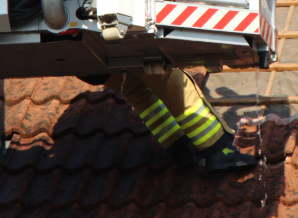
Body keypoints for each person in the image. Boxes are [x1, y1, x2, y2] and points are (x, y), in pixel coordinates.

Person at [87, 68, 258, 172]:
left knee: (135, 87)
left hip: (86, 62)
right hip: (112, 39)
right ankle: (217, 151)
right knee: (168, 75)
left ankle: (182, 149)